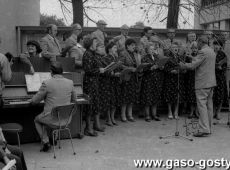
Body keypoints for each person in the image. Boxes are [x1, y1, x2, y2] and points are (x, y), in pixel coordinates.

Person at [31, 62, 76, 151]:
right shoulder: (70, 82)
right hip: (66, 119)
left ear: (51, 72)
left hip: (52, 118)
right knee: (57, 113)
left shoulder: (47, 83)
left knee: (37, 120)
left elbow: (34, 101)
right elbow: (74, 100)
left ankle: (46, 142)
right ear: (61, 72)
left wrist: (32, 99)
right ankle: (54, 139)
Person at [179, 36, 216, 137]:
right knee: (209, 106)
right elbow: (202, 61)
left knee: (202, 106)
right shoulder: (211, 51)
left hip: (202, 83)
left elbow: (193, 66)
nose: (197, 45)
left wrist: (184, 65)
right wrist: (192, 58)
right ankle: (208, 128)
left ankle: (204, 129)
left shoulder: (202, 52)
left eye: (197, 43)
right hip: (211, 82)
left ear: (200, 42)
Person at [82, 35, 105, 137]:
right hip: (89, 83)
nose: (96, 44)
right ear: (90, 44)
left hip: (95, 82)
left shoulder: (93, 54)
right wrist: (98, 70)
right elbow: (87, 70)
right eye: (95, 43)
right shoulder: (87, 54)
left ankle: (96, 125)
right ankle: (88, 128)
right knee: (89, 105)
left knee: (95, 103)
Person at [140, 42, 164, 122]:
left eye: (153, 49)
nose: (152, 50)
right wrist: (151, 68)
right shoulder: (144, 57)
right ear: (147, 50)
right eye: (150, 49)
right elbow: (142, 68)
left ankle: (154, 115)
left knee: (155, 97)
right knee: (147, 97)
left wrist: (161, 67)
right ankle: (147, 115)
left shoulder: (157, 57)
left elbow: (161, 67)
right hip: (148, 80)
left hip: (156, 80)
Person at [120, 38, 141, 122]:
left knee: (131, 97)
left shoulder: (135, 54)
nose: (134, 46)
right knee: (125, 97)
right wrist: (130, 68)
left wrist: (139, 68)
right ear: (127, 46)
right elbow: (120, 65)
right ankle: (123, 115)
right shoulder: (123, 53)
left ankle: (130, 114)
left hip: (134, 78)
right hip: (126, 78)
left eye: (134, 45)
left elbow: (137, 64)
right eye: (132, 45)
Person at [163, 42, 185, 119]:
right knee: (169, 96)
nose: (175, 48)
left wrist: (182, 70)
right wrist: (171, 71)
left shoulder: (180, 57)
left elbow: (184, 66)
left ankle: (176, 111)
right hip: (170, 78)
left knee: (177, 96)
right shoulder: (167, 57)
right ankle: (170, 111)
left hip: (179, 79)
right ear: (170, 49)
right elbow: (165, 68)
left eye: (176, 47)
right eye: (173, 47)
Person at [213, 40, 228, 120]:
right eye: (214, 45)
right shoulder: (211, 53)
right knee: (213, 95)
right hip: (212, 77)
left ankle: (218, 112)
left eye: (217, 45)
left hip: (220, 77)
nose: (216, 46)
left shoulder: (223, 54)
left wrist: (221, 67)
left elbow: (225, 65)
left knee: (220, 95)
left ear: (220, 46)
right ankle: (214, 111)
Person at [185, 41, 198, 119]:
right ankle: (191, 111)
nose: (194, 49)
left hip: (198, 77)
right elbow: (186, 65)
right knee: (191, 95)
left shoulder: (200, 56)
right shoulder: (188, 57)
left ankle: (196, 111)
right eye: (193, 48)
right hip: (190, 77)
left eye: (196, 48)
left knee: (197, 95)